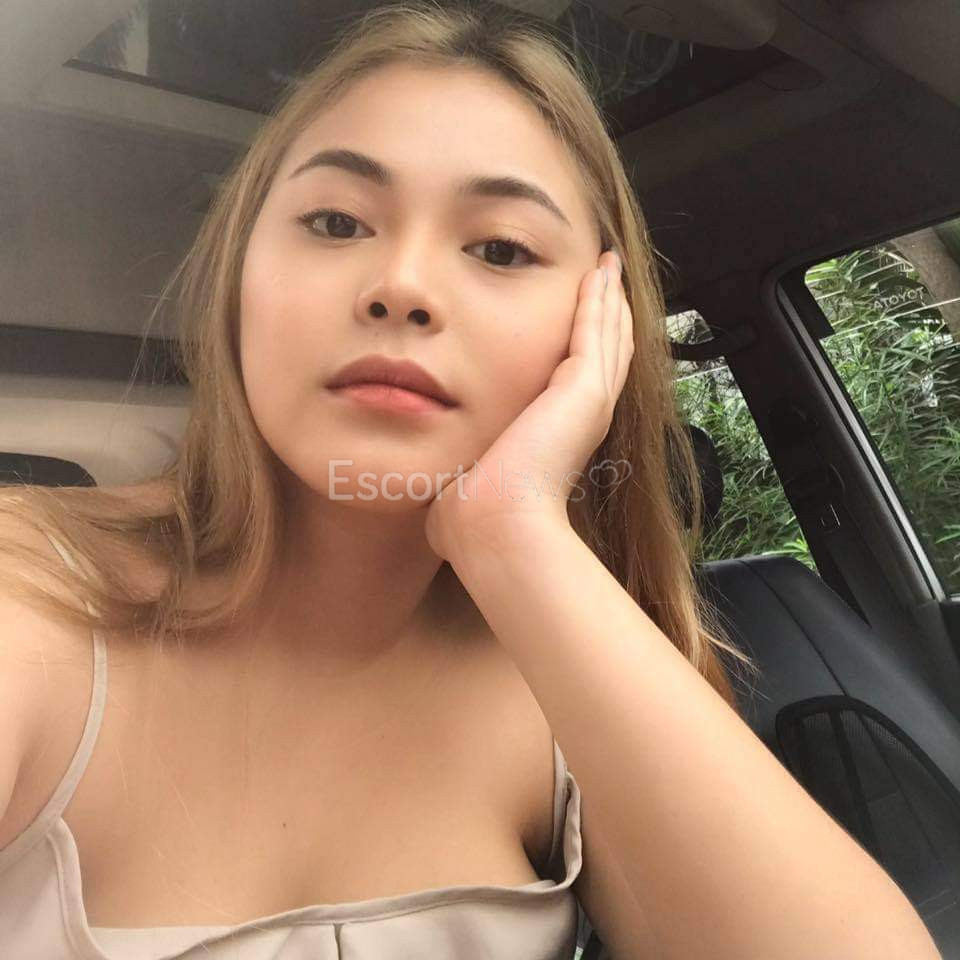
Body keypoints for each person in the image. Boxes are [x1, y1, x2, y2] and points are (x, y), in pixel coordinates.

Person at [4, 2, 939, 959]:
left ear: (595, 328)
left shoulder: (572, 668)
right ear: (241, 275)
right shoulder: (24, 586)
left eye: (500, 248)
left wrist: (514, 533)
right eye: (335, 221)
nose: (402, 285)